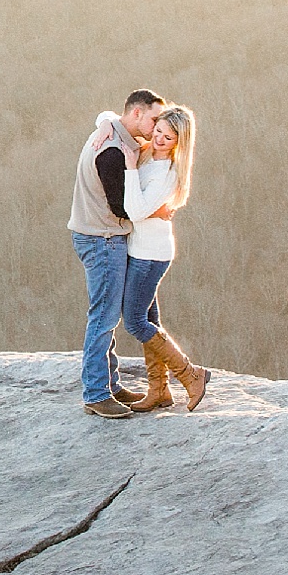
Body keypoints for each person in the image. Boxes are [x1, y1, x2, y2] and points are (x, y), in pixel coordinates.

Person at [68, 88, 166, 418]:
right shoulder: (111, 150)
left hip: (98, 235)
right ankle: (96, 393)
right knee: (104, 317)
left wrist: (107, 120)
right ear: (136, 114)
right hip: (103, 239)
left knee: (107, 314)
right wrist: (157, 210)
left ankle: (109, 383)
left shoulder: (115, 132)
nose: (156, 128)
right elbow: (121, 208)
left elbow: (110, 117)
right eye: (153, 119)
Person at [120, 104, 209, 411]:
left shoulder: (167, 174)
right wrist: (108, 127)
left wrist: (130, 169)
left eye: (167, 137)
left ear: (178, 143)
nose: (158, 139)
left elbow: (134, 210)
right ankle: (159, 389)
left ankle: (190, 374)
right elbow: (106, 117)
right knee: (149, 319)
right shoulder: (147, 157)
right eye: (157, 131)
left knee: (134, 321)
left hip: (150, 255)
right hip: (139, 249)